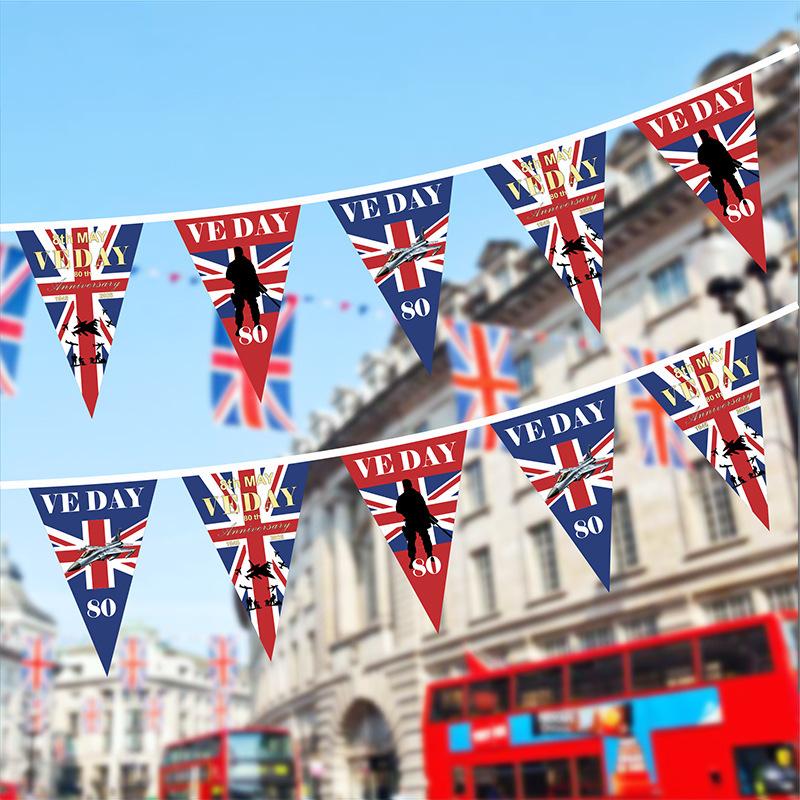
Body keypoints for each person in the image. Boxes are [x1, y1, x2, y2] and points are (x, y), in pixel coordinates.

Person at [696, 129, 744, 215]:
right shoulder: (708, 145)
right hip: (718, 168)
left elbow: (725, 153)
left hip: (721, 167)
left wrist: (731, 162)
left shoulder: (707, 146)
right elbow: (701, 161)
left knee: (730, 185)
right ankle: (727, 206)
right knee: (723, 188)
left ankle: (740, 199)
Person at [395, 479, 437, 569]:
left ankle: (416, 559)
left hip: (413, 521)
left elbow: (398, 509)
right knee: (422, 539)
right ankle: (427, 556)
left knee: (414, 540)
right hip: (417, 520)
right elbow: (424, 508)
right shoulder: (416, 495)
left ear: (404, 486)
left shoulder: (403, 497)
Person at [226, 246, 261, 335]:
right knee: (243, 308)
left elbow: (253, 275)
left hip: (245, 288)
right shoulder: (245, 263)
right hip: (244, 288)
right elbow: (228, 276)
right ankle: (242, 327)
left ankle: (254, 324)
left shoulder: (238, 264)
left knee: (247, 307)